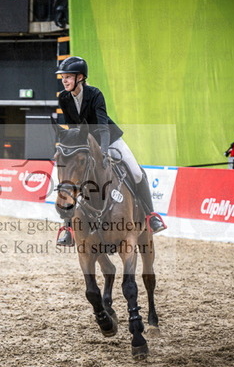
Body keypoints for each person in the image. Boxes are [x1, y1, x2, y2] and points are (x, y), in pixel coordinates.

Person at [54, 56, 166, 246]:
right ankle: (68, 229)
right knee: (70, 179)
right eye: (63, 77)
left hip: (109, 139)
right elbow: (73, 127)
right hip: (85, 143)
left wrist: (104, 152)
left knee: (137, 172)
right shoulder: (64, 98)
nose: (64, 81)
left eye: (68, 77)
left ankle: (151, 216)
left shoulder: (95, 94)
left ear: (80, 77)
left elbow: (103, 127)